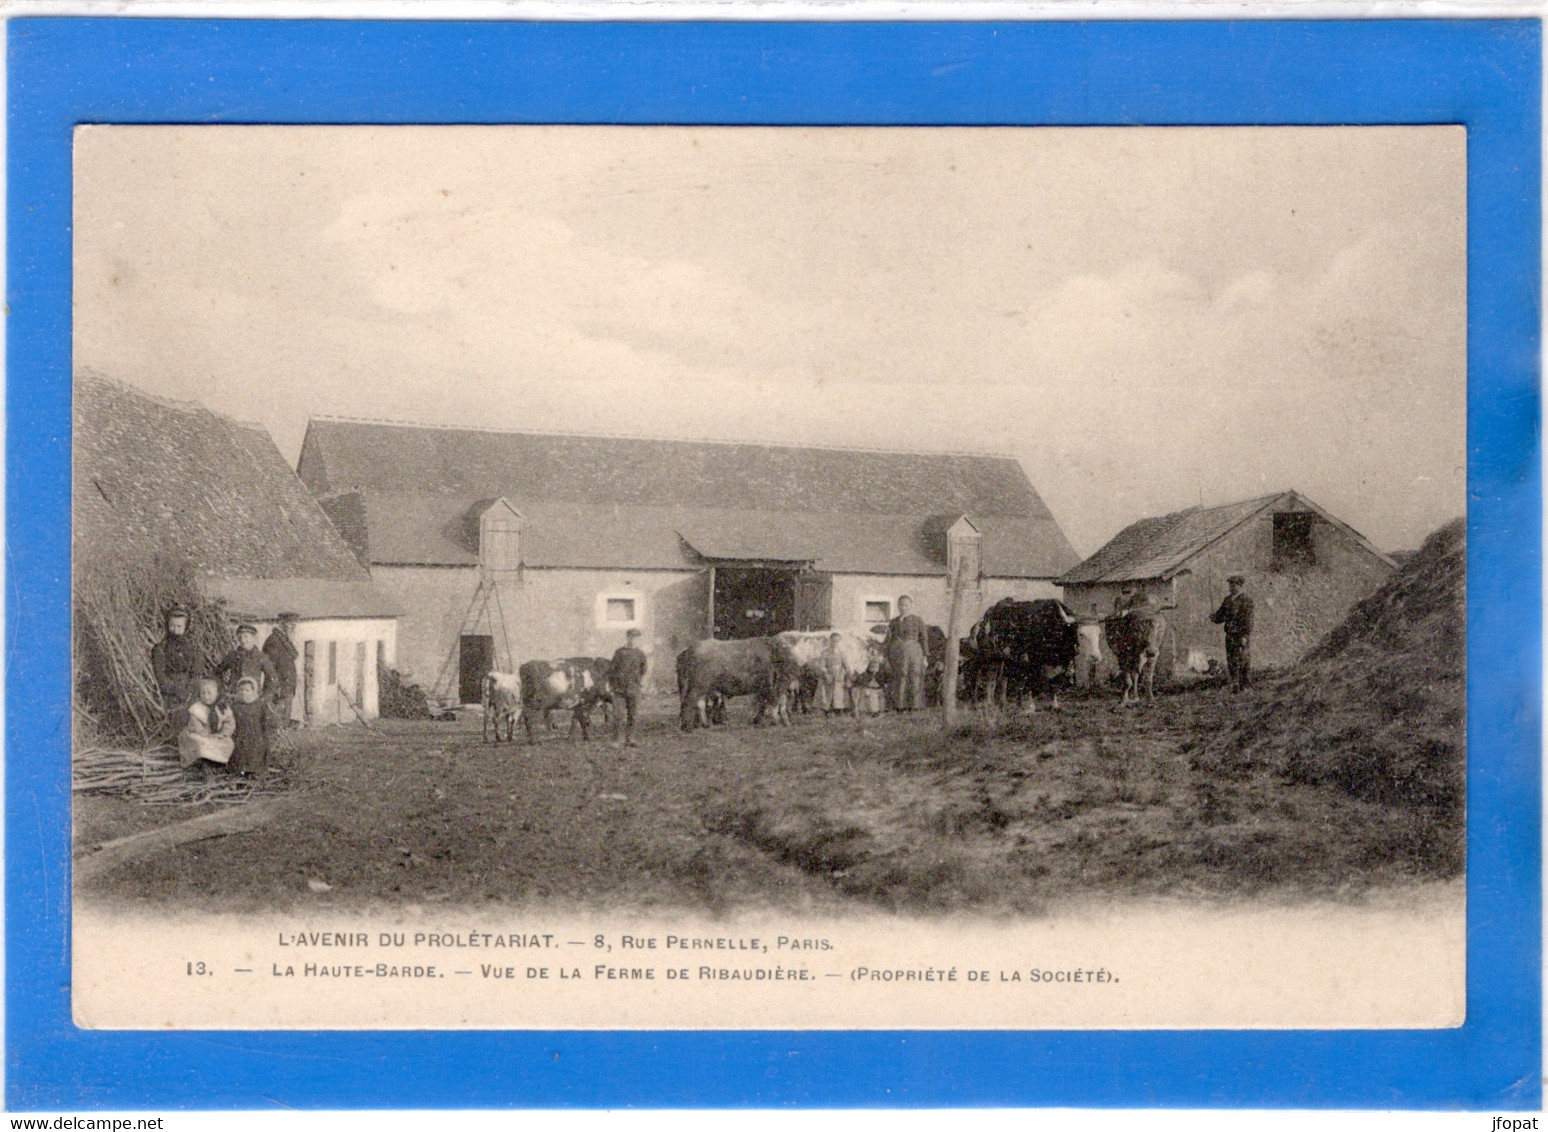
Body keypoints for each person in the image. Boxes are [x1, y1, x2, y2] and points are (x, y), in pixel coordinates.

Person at [150, 605, 204, 721]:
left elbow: (197, 673)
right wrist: (175, 690)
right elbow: (160, 675)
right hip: (169, 695)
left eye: (179, 626)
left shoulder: (193, 648)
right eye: (172, 626)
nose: (175, 629)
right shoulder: (160, 648)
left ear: (186, 627)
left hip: (190, 693)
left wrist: (189, 691)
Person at [1211, 574, 1255, 692]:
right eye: (1230, 584)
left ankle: (1245, 685)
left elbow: (1249, 621)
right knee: (1231, 660)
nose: (1231, 587)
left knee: (1243, 660)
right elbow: (1220, 617)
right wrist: (1214, 617)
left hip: (1241, 635)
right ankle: (1235, 685)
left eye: (1233, 584)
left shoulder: (1247, 601)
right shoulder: (1227, 600)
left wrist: (1245, 635)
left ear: (1240, 586)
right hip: (1230, 635)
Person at [178, 677, 235, 769]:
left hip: (217, 735)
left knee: (229, 743)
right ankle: (204, 765)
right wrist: (206, 735)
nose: (206, 696)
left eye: (209, 693)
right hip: (201, 734)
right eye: (203, 693)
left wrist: (223, 734)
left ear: (217, 693)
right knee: (200, 743)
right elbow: (195, 726)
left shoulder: (222, 708)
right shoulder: (196, 708)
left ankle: (218, 764)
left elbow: (229, 723)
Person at [885, 595, 929, 711]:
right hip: (897, 652)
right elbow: (888, 639)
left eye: (906, 605)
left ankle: (915, 705)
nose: (903, 607)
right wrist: (886, 656)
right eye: (901, 605)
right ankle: (900, 705)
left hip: (914, 651)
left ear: (911, 606)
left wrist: (925, 657)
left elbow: (924, 638)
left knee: (914, 675)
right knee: (900, 676)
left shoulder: (917, 620)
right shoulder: (894, 622)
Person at [216, 623, 279, 699]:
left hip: (253, 698)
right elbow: (218, 671)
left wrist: (265, 697)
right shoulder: (232, 656)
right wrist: (224, 689)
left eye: (246, 636)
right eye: (240, 637)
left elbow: (273, 678)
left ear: (253, 638)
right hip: (235, 697)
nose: (243, 640)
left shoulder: (261, 657)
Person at [608, 628, 648, 748]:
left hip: (634, 689)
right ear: (627, 637)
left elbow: (643, 670)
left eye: (636, 638)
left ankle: (630, 738)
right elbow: (612, 670)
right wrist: (614, 685)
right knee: (618, 716)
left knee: (633, 715)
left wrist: (637, 682)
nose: (634, 640)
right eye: (631, 637)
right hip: (619, 690)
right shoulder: (620, 652)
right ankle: (617, 740)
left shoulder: (640, 654)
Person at [228, 676, 274, 776]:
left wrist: (266, 735)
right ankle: (240, 773)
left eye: (247, 690)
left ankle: (254, 774)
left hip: (256, 737)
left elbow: (266, 722)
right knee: (239, 754)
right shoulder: (235, 706)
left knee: (255, 754)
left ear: (254, 691)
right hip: (240, 735)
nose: (244, 693)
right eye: (241, 690)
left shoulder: (260, 705)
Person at [262, 613, 300, 727]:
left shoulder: (285, 641)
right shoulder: (273, 641)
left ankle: (282, 743)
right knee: (276, 721)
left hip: (287, 686)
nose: (293, 627)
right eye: (290, 624)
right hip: (278, 688)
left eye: (295, 624)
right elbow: (270, 668)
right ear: (282, 624)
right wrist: (276, 686)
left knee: (284, 719)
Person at [818, 632, 851, 717]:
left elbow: (846, 666)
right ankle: (827, 710)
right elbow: (822, 666)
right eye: (833, 641)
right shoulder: (825, 652)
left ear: (839, 642)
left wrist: (848, 677)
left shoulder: (842, 653)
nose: (835, 643)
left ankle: (838, 710)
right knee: (827, 692)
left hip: (839, 675)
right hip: (828, 674)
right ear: (830, 641)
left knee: (838, 692)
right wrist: (826, 675)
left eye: (837, 641)